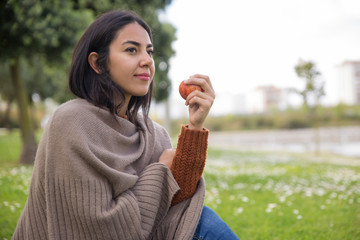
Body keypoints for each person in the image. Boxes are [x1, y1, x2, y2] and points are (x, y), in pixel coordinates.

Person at [12, 10, 239, 240]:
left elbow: (178, 203)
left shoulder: (153, 133)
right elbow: (101, 230)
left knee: (199, 219)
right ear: (97, 63)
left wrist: (195, 126)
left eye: (149, 51)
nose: (147, 61)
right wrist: (160, 171)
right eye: (131, 50)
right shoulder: (72, 123)